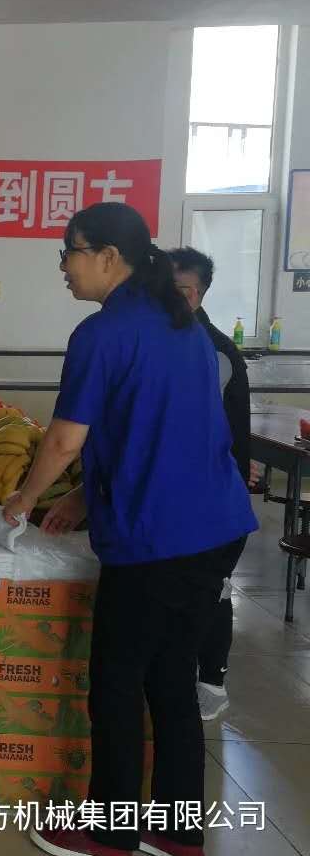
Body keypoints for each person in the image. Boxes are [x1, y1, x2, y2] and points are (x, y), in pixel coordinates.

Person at [5, 203, 257, 856]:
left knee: (116, 681)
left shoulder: (103, 333)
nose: (63, 266)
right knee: (172, 680)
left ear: (108, 257)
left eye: (69, 251)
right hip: (214, 530)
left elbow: (65, 440)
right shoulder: (185, 328)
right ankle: (179, 833)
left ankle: (110, 834)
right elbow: (160, 430)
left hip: (157, 538)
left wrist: (24, 499)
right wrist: (85, 496)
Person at [170, 246, 259, 723]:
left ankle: (211, 682)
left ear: (199, 293)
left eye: (182, 290)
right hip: (186, 492)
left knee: (212, 589)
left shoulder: (213, 350)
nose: (173, 298)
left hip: (213, 498)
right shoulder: (172, 338)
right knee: (188, 588)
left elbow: (212, 432)